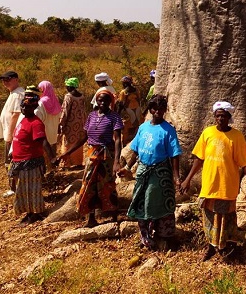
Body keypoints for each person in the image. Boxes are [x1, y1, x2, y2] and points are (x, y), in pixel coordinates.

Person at [179, 101, 246, 261]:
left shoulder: (236, 136)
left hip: (227, 186)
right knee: (209, 217)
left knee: (226, 218)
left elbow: (245, 163)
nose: (221, 119)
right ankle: (211, 247)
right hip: (210, 185)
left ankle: (226, 248)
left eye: (224, 116)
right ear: (215, 117)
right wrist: (187, 179)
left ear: (229, 117)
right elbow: (199, 159)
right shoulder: (208, 133)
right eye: (218, 116)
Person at [118, 95, 182, 250]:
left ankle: (163, 236)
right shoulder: (143, 128)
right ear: (150, 109)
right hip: (142, 170)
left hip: (160, 174)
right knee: (141, 202)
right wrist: (127, 168)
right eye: (155, 108)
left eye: (161, 109)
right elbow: (135, 151)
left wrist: (176, 177)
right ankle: (146, 237)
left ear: (165, 110)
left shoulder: (168, 130)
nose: (158, 112)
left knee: (157, 204)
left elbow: (174, 155)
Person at [56, 90, 123, 227]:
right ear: (96, 101)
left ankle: (114, 216)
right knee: (89, 185)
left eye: (105, 100)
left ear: (110, 102)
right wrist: (67, 153)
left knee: (107, 185)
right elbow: (84, 138)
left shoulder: (114, 117)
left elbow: (117, 140)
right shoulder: (91, 116)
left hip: (106, 156)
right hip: (91, 155)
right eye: (100, 100)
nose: (102, 103)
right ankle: (91, 218)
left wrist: (116, 161)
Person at [9, 93, 55, 225]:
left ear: (33, 108)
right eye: (22, 106)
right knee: (23, 189)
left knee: (31, 189)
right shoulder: (24, 120)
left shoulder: (36, 123)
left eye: (26, 107)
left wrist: (52, 158)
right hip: (20, 161)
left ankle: (34, 214)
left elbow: (44, 142)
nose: (23, 108)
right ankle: (28, 213)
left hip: (30, 161)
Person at [0, 71, 25, 196]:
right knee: (10, 161)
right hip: (10, 133)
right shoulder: (14, 93)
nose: (5, 82)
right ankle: (14, 187)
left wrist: (9, 134)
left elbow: (16, 114)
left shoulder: (17, 94)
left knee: (10, 161)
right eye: (3, 80)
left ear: (16, 79)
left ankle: (14, 188)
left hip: (13, 134)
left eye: (8, 79)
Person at [58, 78, 86, 168]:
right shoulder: (81, 96)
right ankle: (77, 162)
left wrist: (61, 123)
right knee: (78, 141)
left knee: (68, 142)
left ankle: (66, 163)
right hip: (80, 123)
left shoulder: (68, 96)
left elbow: (65, 111)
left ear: (70, 86)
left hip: (70, 123)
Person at [37, 80, 62, 151]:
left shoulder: (41, 103)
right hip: (53, 137)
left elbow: (38, 118)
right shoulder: (55, 101)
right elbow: (59, 116)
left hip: (44, 138)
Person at [117, 75, 142, 145]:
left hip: (128, 115)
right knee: (136, 130)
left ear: (125, 83)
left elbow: (121, 104)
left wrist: (117, 114)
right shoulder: (136, 90)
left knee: (126, 132)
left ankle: (125, 146)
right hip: (137, 114)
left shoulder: (123, 92)